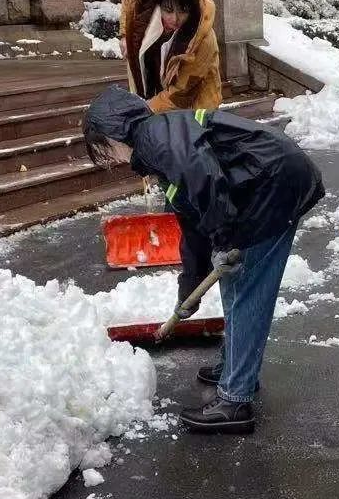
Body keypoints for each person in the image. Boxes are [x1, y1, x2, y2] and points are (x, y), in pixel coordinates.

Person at [84, 87, 324, 435]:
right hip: (263, 185)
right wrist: (188, 291)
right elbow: (193, 225)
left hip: (274, 185)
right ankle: (235, 366)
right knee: (233, 280)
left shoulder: (156, 138)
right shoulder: (157, 147)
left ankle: (235, 399)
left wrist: (226, 239)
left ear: (113, 132)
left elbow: (205, 177)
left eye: (104, 149)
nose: (111, 159)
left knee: (247, 292)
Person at [119, 0, 222, 113]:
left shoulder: (204, 41)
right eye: (168, 10)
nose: (175, 19)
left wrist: (148, 109)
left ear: (191, 10)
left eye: (183, 11)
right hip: (156, 77)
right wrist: (124, 35)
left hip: (197, 99)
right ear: (158, 3)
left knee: (193, 129)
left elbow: (180, 92)